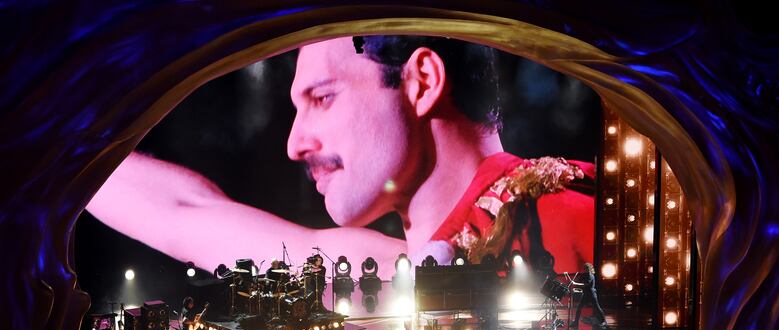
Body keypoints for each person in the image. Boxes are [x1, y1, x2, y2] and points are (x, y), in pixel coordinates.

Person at [86, 35, 593, 282]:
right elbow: (183, 214)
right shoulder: (406, 268)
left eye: (323, 98)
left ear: (421, 82)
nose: (294, 144)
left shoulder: (573, 219)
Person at [566, 263, 608, 330]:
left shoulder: (590, 275)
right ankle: (576, 322)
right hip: (586, 294)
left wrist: (575, 283)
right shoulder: (586, 275)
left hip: (591, 294)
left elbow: (586, 284)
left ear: (587, 269)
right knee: (579, 307)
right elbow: (582, 282)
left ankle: (604, 321)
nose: (583, 270)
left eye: (584, 268)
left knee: (597, 307)